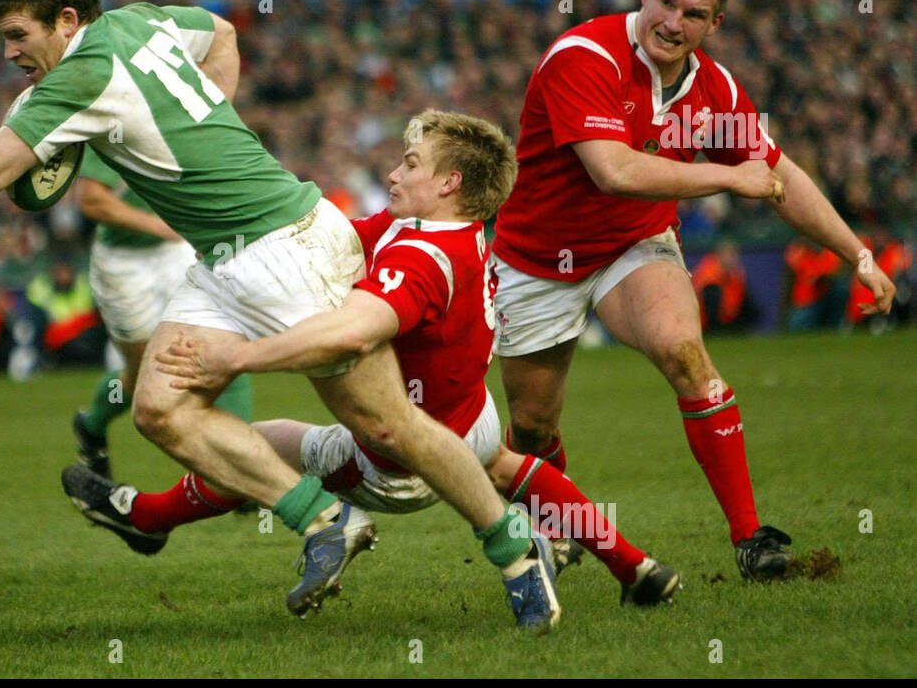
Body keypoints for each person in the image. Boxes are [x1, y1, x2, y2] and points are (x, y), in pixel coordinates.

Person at [0, 0, 560, 629]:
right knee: (160, 407)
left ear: (66, 19)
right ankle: (325, 519)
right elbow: (221, 33)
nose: (9, 51)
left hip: (285, 246)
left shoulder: (78, 76)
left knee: (387, 424)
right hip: (225, 256)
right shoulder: (139, 21)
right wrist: (204, 119)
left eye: (18, 35)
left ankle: (515, 550)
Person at [84, 110, 678, 610]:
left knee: (257, 442)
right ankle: (635, 567)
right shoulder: (448, 232)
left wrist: (236, 357)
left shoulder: (420, 257)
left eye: (411, 163)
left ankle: (152, 516)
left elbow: (347, 335)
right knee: (503, 463)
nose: (393, 173)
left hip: (403, 459)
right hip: (471, 416)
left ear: (450, 181)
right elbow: (328, 237)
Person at [488, 0, 897, 581]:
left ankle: (751, 539)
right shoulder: (584, 56)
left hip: (634, 245)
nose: (674, 21)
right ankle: (554, 527)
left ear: (716, 25)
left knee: (685, 353)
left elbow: (779, 175)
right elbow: (614, 170)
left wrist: (859, 256)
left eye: (694, 13)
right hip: (538, 259)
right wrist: (725, 178)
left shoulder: (715, 87)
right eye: (667, 1)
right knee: (534, 425)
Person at [70, 141, 254, 478]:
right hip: (123, 262)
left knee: (224, 344)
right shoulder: (114, 129)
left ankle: (245, 466)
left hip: (177, 249)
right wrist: (154, 223)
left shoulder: (176, 113)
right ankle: (91, 425)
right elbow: (91, 199)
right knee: (145, 374)